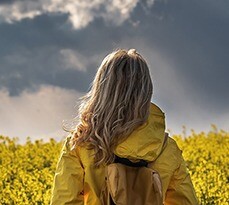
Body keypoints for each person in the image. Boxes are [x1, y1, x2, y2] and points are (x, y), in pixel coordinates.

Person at [50, 49, 198, 205]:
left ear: (102, 90)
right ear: (146, 91)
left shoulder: (81, 143)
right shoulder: (166, 149)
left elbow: (64, 201)